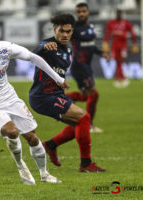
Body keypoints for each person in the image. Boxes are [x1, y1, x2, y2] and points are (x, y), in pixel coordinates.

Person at [0, 19, 68, 185]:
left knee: (32, 138)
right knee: (12, 131)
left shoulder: (5, 49)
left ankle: (44, 175)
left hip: (9, 98)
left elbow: (33, 57)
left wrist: (57, 78)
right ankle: (21, 166)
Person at [29, 14, 106, 172]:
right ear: (55, 30)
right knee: (84, 118)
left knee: (80, 124)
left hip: (55, 95)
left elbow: (57, 73)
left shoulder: (69, 49)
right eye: (61, 31)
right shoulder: (47, 45)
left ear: (72, 31)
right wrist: (43, 47)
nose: (65, 35)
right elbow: (33, 54)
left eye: (68, 31)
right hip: (43, 97)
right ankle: (85, 164)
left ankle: (50, 145)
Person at [44, 3, 109, 133]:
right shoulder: (74, 28)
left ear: (88, 12)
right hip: (79, 66)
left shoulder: (90, 27)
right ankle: (90, 125)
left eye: (83, 11)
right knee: (94, 94)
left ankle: (59, 101)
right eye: (78, 12)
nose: (81, 14)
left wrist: (100, 52)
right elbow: (61, 37)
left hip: (87, 66)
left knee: (86, 96)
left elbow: (90, 46)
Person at [103, 9, 139, 88]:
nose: (118, 15)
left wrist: (134, 44)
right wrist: (105, 43)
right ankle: (124, 79)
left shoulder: (126, 23)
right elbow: (107, 34)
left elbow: (132, 33)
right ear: (116, 14)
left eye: (120, 14)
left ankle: (118, 79)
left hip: (123, 46)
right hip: (114, 46)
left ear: (122, 14)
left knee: (120, 62)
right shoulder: (111, 23)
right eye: (117, 14)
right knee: (117, 62)